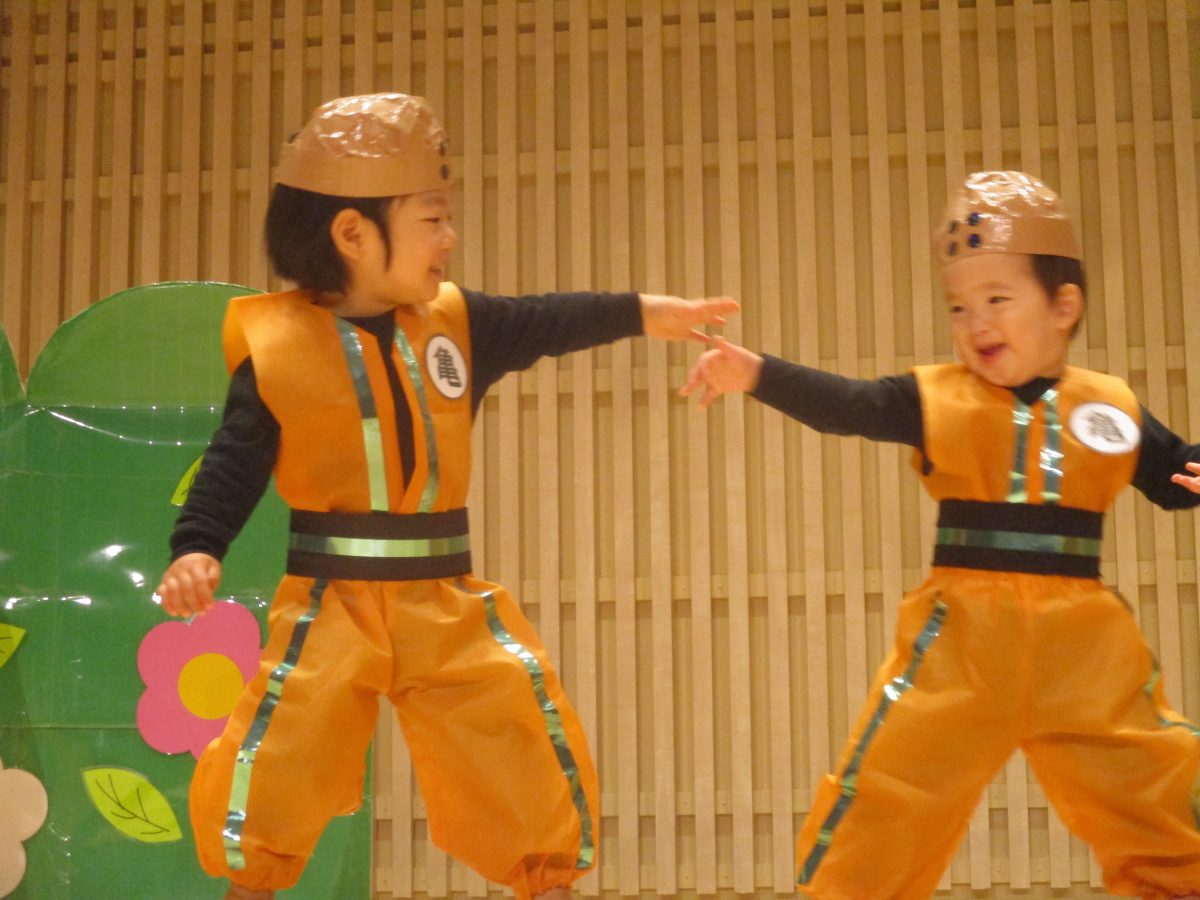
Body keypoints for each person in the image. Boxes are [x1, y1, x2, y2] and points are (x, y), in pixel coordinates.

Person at [156, 92, 738, 900]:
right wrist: (197, 545)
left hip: (443, 600)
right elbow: (235, 460)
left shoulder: (456, 324)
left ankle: (549, 885)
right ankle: (250, 889)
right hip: (331, 605)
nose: (449, 239)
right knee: (278, 756)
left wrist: (646, 314)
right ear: (353, 234)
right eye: (432, 219)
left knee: (517, 735)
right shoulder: (277, 346)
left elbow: (550, 319)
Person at [681, 170, 1200, 899]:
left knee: (1156, 785)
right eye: (959, 306)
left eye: (997, 299)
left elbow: (1175, 474)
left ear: (1063, 306)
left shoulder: (1111, 406)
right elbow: (849, 405)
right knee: (890, 792)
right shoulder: (934, 398)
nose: (975, 322)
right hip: (961, 638)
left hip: (1086, 647)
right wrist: (758, 373)